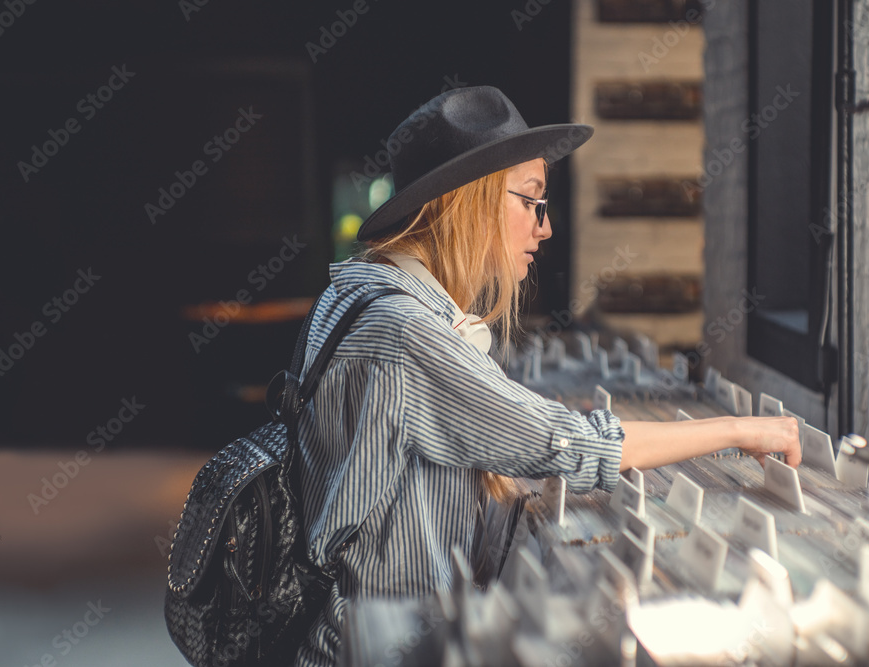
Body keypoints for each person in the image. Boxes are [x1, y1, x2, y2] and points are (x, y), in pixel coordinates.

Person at [291, 86, 801, 665]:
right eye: (532, 201)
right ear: (472, 202)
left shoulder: (354, 295)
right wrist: (740, 430)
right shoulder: (407, 331)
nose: (546, 227)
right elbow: (571, 445)